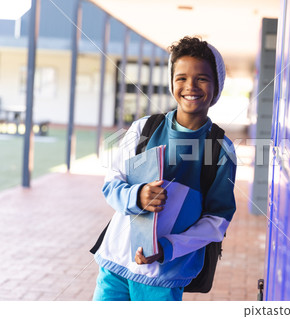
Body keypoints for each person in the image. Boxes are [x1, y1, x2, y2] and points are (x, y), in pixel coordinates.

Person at [92, 36, 237, 301]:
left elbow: (217, 220)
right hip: (116, 262)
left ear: (217, 85)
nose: (190, 86)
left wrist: (168, 248)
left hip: (164, 274)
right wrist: (137, 196)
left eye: (202, 78)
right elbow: (112, 183)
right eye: (181, 77)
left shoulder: (219, 149)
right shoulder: (144, 129)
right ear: (171, 82)